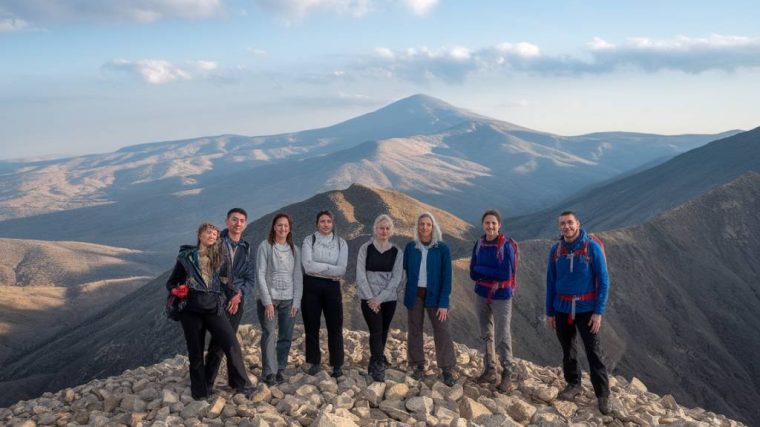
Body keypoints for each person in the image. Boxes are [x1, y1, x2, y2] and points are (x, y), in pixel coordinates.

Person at [166, 223, 254, 400]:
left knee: (231, 343)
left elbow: (225, 283)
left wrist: (235, 295)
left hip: (213, 307)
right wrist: (176, 290)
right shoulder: (185, 257)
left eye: (215, 234)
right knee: (195, 350)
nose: (213, 236)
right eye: (209, 233)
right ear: (200, 235)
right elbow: (171, 282)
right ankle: (200, 393)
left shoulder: (220, 258)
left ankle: (243, 384)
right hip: (190, 309)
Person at [546, 211, 612, 415]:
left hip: (586, 309)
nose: (566, 226)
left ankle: (603, 394)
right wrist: (549, 312)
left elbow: (603, 280)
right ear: (560, 227)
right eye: (563, 224)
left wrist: (598, 312)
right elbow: (550, 282)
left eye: (570, 223)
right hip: (562, 308)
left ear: (578, 224)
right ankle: (573, 384)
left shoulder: (591, 247)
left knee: (594, 351)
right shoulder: (556, 250)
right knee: (568, 350)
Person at [205, 208, 256, 393]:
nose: (238, 223)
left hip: (237, 302)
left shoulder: (245, 247)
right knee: (226, 341)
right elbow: (210, 273)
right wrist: (228, 294)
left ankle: (215, 382)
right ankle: (240, 384)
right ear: (226, 221)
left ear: (245, 224)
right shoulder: (217, 244)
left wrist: (239, 294)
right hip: (219, 300)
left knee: (225, 340)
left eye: (242, 220)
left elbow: (250, 279)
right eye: (234, 219)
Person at [403, 211, 456, 386]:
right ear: (417, 227)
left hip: (436, 296)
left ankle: (447, 369)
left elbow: (447, 278)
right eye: (421, 224)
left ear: (433, 227)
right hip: (415, 294)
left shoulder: (442, 248)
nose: (425, 227)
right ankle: (417, 365)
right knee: (415, 330)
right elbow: (404, 270)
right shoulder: (411, 247)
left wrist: (444, 303)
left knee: (443, 330)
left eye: (428, 224)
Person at [470, 209, 519, 392]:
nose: (490, 226)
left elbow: (505, 273)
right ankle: (490, 369)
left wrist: (483, 270)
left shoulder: (506, 245)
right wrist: (489, 271)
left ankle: (507, 372)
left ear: (499, 225)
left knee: (502, 333)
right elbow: (472, 272)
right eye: (487, 223)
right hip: (481, 294)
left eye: (493, 223)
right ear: (483, 225)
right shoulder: (479, 244)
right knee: (485, 332)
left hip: (502, 296)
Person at [256, 212, 303, 386]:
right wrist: (267, 301)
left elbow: (298, 276)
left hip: (288, 299)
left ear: (289, 229)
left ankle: (280, 368)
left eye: (286, 225)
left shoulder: (294, 250)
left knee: (286, 335)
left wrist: (296, 302)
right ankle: (269, 372)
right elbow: (260, 274)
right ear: (274, 227)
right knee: (269, 333)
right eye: (279, 225)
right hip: (269, 299)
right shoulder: (265, 246)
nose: (283, 228)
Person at [356, 214, 404, 382]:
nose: (384, 231)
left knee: (383, 330)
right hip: (368, 298)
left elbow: (396, 278)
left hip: (389, 299)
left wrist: (379, 299)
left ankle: (375, 360)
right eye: (381, 228)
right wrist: (371, 298)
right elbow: (360, 275)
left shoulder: (397, 252)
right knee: (375, 329)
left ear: (391, 231)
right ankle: (377, 365)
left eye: (387, 228)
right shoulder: (365, 249)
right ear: (375, 229)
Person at [301, 210, 348, 378]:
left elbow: (342, 269)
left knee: (335, 326)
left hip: (332, 288)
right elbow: (307, 266)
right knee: (311, 325)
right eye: (322, 221)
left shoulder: (341, 243)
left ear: (333, 223)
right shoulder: (309, 240)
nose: (326, 224)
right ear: (317, 224)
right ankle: (314, 362)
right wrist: (330, 269)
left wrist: (319, 267)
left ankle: (337, 365)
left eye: (328, 221)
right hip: (311, 287)